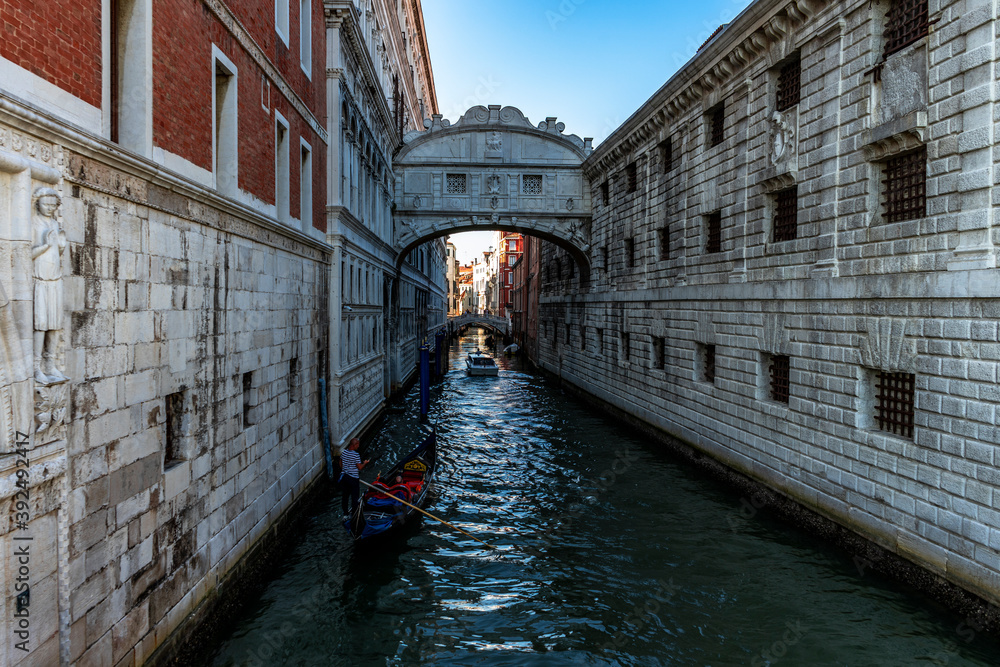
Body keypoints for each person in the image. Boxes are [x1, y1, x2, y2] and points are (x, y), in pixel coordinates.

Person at [340, 438, 369, 516]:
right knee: (354, 497)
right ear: (354, 444)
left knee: (345, 496)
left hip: (345, 477)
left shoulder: (344, 452)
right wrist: (365, 463)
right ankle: (354, 514)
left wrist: (345, 470)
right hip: (353, 479)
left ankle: (345, 513)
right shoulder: (356, 455)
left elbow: (340, 462)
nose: (358, 446)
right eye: (358, 444)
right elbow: (359, 467)